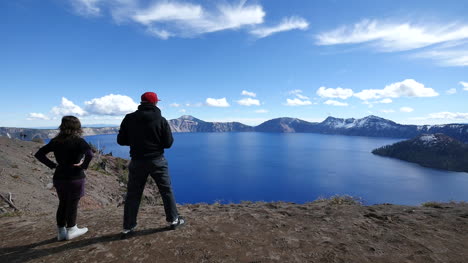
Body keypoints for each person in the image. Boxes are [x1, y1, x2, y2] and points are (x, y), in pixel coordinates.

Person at [117, 91, 184, 237]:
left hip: (137, 161)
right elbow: (168, 143)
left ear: (142, 102)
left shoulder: (129, 118)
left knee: (133, 194)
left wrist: (136, 141)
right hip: (157, 161)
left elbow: (121, 140)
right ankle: (173, 220)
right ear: (155, 103)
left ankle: (128, 228)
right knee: (166, 191)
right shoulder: (161, 120)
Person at [35, 116, 93, 241]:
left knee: (63, 202)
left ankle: (61, 232)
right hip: (75, 176)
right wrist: (83, 166)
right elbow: (89, 154)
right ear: (77, 127)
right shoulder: (79, 141)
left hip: (59, 176)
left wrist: (53, 165)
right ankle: (72, 229)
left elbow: (39, 154)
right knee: (72, 203)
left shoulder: (55, 141)